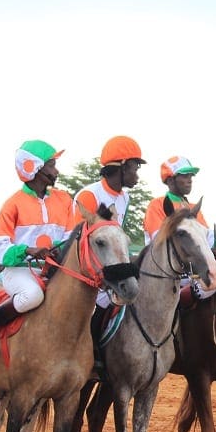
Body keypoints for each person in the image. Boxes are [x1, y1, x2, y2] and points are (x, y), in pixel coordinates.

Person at [0, 139, 75, 352]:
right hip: (20, 271)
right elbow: (0, 249)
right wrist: (28, 250)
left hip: (55, 269)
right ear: (35, 168)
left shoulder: (65, 199)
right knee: (33, 295)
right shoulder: (13, 204)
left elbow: (70, 236)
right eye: (52, 165)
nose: (56, 171)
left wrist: (59, 248)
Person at [74, 135, 144, 365]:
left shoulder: (125, 197)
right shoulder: (89, 195)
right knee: (104, 300)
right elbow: (78, 241)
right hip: (86, 267)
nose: (137, 174)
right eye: (135, 167)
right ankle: (91, 353)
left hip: (111, 264)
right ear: (121, 167)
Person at [143, 155, 208, 245]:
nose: (190, 180)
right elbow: (159, 239)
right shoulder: (156, 204)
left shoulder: (194, 208)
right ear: (170, 181)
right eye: (185, 176)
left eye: (191, 176)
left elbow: (208, 237)